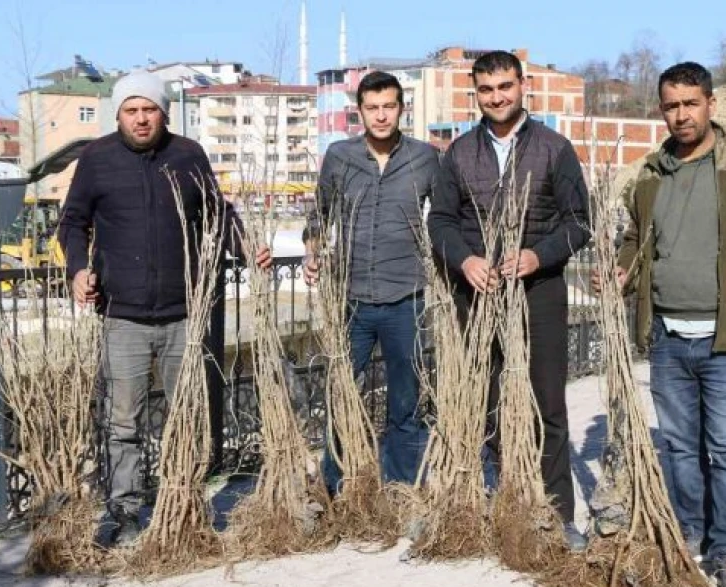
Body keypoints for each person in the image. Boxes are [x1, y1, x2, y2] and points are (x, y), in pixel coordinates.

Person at [593, 62, 726, 587]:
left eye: (690, 103)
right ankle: (689, 533)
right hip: (667, 335)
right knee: (681, 446)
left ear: (710, 104)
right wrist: (621, 269)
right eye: (671, 105)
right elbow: (637, 239)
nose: (681, 114)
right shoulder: (649, 174)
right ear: (661, 109)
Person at [58, 70, 271, 547]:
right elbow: (72, 222)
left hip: (183, 315)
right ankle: (124, 510)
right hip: (122, 314)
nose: (140, 119)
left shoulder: (187, 155)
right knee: (122, 422)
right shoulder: (97, 159)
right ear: (118, 115)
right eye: (131, 111)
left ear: (163, 112)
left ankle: (184, 504)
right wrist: (77, 269)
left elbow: (218, 214)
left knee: (186, 418)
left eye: (148, 110)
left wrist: (245, 245)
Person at [427, 50, 591, 551]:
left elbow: (580, 223)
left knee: (547, 403)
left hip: (538, 292)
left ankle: (559, 513)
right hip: (478, 294)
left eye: (505, 87)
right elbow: (441, 221)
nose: (497, 97)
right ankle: (500, 502)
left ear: (523, 87)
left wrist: (537, 257)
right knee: (484, 403)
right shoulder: (457, 154)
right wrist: (465, 260)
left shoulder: (554, 148)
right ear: (474, 93)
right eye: (486, 89)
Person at [303, 71, 439, 489]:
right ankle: (337, 485)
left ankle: (402, 487)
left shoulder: (426, 158)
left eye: (389, 107)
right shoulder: (340, 157)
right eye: (372, 108)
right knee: (342, 393)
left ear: (401, 108)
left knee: (406, 400)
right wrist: (313, 250)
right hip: (352, 297)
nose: (381, 116)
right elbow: (319, 215)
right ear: (359, 111)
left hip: (407, 295)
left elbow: (449, 216)